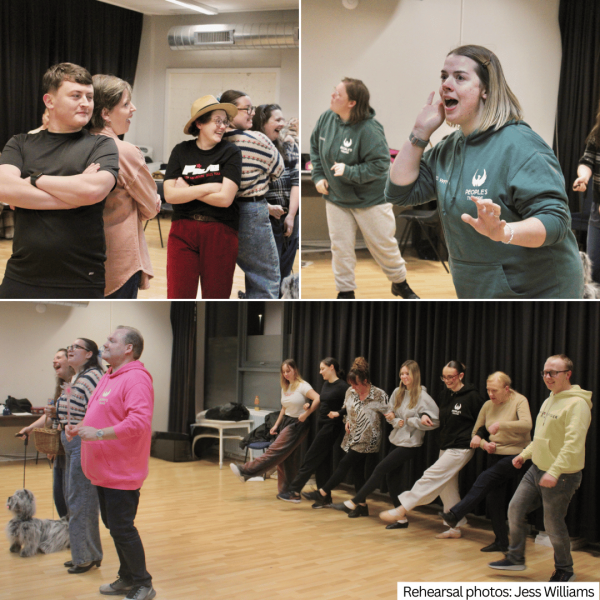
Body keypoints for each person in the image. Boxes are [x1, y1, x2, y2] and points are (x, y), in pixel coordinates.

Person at [385, 44, 584, 299]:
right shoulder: (449, 148)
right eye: (444, 76)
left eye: (459, 77)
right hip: (479, 286)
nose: (446, 85)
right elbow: (399, 192)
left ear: (486, 90)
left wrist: (504, 232)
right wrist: (419, 132)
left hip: (537, 289)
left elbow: (556, 221)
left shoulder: (520, 145)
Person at [0, 62, 119, 299]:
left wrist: (33, 180)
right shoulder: (20, 143)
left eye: (89, 97)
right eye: (76, 96)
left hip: (82, 277)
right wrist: (74, 198)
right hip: (21, 274)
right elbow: (4, 188)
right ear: (49, 101)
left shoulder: (102, 145)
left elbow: (93, 191)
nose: (86, 103)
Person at [309, 77, 418, 300]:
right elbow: (315, 148)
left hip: (371, 199)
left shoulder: (370, 129)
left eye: (338, 94)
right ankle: (345, 291)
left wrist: (349, 171)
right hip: (336, 198)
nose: (332, 96)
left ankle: (400, 283)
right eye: (334, 91)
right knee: (340, 247)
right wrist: (318, 176)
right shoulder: (326, 118)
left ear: (352, 103)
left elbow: (380, 165)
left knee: (383, 245)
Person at [68, 326, 155, 600]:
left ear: (128, 348)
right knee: (115, 527)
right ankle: (127, 577)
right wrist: (80, 427)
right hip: (104, 471)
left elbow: (138, 422)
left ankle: (144, 583)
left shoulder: (136, 379)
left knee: (123, 528)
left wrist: (98, 434)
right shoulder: (109, 375)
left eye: (112, 340)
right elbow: (100, 414)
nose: (105, 343)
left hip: (122, 471)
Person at [489, 355, 592, 582]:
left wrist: (554, 472)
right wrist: (524, 455)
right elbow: (541, 438)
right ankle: (515, 558)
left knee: (553, 523)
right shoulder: (549, 399)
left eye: (553, 372)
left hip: (562, 475)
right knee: (515, 509)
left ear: (568, 374)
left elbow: (573, 444)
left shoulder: (578, 404)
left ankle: (565, 569)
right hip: (536, 469)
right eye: (545, 372)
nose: (547, 377)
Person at [379, 361, 483, 537]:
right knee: (447, 487)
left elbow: (484, 419)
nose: (447, 380)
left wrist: (479, 434)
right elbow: (436, 417)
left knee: (432, 475)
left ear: (461, 376)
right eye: (444, 377)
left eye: (451, 377)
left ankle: (402, 508)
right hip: (446, 445)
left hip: (462, 447)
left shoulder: (472, 397)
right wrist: (424, 416)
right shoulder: (445, 395)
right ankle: (455, 527)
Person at [331, 360, 439, 526]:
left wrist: (413, 421)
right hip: (396, 440)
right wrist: (394, 420)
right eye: (402, 374)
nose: (404, 377)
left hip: (410, 444)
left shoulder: (423, 396)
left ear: (415, 375)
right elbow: (391, 415)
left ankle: (354, 502)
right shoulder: (398, 392)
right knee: (391, 479)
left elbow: (435, 421)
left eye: (407, 373)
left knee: (380, 469)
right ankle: (401, 518)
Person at [440, 372, 532, 552]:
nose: (490, 394)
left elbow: (527, 424)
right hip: (495, 454)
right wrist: (484, 444)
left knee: (484, 478)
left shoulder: (519, 401)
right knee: (494, 499)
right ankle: (501, 542)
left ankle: (455, 514)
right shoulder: (488, 405)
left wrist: (501, 425)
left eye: (494, 390)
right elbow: (475, 432)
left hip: (517, 455)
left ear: (506, 389)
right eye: (488, 390)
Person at [88, 74, 160, 298]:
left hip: (80, 259)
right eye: (126, 104)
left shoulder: (74, 145)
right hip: (118, 261)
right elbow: (151, 207)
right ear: (105, 113)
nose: (133, 109)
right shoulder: (124, 151)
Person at [163, 95, 242, 299]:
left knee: (216, 297)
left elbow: (225, 199)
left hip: (220, 231)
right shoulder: (181, 150)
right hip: (182, 230)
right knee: (179, 296)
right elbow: (170, 195)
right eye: (217, 121)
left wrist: (187, 189)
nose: (223, 126)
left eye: (225, 121)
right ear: (199, 123)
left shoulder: (231, 152)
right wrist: (209, 187)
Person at [302, 357, 390, 514]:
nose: (354, 387)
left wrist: (394, 418)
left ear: (365, 381)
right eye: (351, 384)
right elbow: (346, 409)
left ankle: (322, 492)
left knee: (344, 464)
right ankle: (362, 507)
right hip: (353, 436)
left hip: (368, 438)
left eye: (356, 384)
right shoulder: (350, 392)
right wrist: (347, 420)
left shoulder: (379, 394)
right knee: (357, 471)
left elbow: (389, 413)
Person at [221, 89, 284, 299]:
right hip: (251, 210)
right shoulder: (256, 138)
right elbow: (278, 170)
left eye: (253, 109)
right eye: (247, 109)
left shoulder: (214, 140)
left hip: (220, 211)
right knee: (265, 276)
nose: (253, 113)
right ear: (230, 111)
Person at [230, 359, 320, 494]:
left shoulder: (303, 386)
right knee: (286, 459)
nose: (286, 374)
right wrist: (276, 425)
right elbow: (284, 408)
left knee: (274, 451)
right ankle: (288, 492)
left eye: (288, 371)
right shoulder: (286, 387)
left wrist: (306, 414)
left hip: (297, 424)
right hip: (286, 422)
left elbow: (317, 398)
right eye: (283, 372)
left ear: (295, 370)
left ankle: (245, 470)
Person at [59, 338, 104, 573]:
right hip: (72, 441)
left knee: (81, 500)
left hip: (82, 441)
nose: (70, 349)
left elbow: (97, 410)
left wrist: (78, 428)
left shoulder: (93, 376)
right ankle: (88, 553)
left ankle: (84, 557)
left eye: (76, 347)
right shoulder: (78, 377)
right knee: (77, 499)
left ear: (89, 354)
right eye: (70, 346)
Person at [276, 357, 349, 503]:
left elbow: (351, 406)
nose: (320, 372)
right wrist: (308, 406)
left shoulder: (343, 387)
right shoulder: (326, 384)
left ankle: (294, 491)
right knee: (322, 462)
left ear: (332, 367)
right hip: (322, 425)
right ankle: (325, 498)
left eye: (322, 369)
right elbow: (323, 402)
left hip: (332, 427)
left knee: (310, 457)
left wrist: (339, 413)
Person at [17, 348, 75, 518]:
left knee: (69, 496)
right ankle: (65, 528)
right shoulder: (62, 388)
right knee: (59, 496)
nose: (54, 361)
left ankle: (71, 529)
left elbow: (72, 416)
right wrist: (30, 428)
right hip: (60, 449)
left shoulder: (77, 386)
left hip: (72, 448)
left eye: (58, 357)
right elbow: (51, 417)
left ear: (70, 361)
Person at [252, 104, 299, 286]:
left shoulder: (288, 145)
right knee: (267, 275)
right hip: (266, 217)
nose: (283, 123)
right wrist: (268, 209)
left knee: (284, 275)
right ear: (262, 122)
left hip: (290, 216)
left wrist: (291, 215)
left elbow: (296, 181)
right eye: (277, 120)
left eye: (283, 119)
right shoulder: (253, 147)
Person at [573, 97, 600, 284]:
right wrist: (583, 177)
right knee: (593, 269)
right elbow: (587, 161)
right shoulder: (597, 134)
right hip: (597, 211)